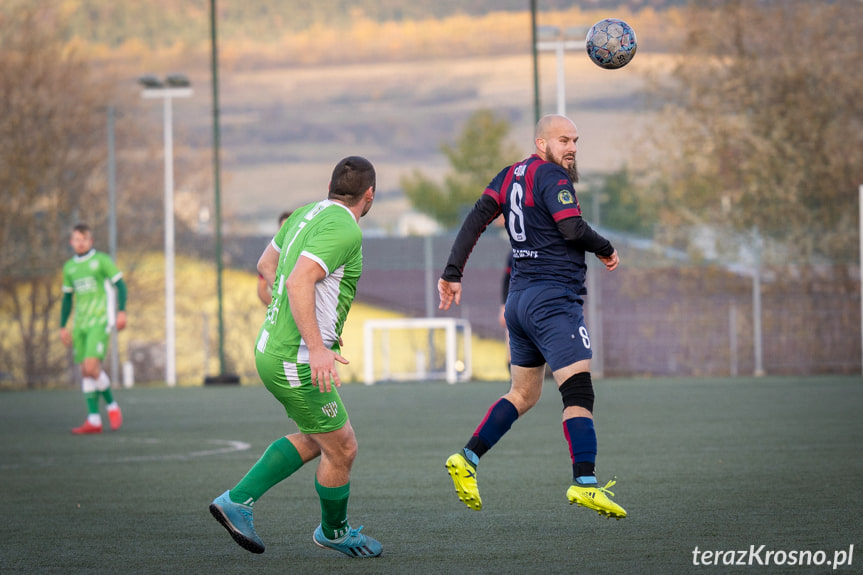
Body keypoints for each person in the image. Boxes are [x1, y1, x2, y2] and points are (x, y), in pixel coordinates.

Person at [438, 114, 626, 519]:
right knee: (578, 392)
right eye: (563, 139)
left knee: (524, 394)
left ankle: (468, 457)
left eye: (575, 140)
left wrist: (452, 272)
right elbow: (573, 229)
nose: (571, 147)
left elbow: (475, 219)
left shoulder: (508, 176)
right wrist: (606, 247)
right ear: (541, 143)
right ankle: (586, 483)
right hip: (553, 300)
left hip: (520, 302)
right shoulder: (553, 178)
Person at [209, 156, 383, 557]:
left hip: (275, 348)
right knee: (343, 447)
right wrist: (318, 348)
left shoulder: (306, 213)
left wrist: (284, 313)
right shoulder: (345, 229)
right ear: (369, 194)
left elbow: (266, 265)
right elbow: (300, 279)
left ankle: (239, 500)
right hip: (296, 358)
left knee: (317, 436)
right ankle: (332, 532)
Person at [60, 223, 127, 434]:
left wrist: (121, 311)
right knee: (85, 372)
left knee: (91, 367)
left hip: (99, 321)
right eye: (76, 240)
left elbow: (120, 284)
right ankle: (94, 420)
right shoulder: (69, 267)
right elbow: (67, 298)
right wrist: (63, 326)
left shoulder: (101, 261)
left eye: (84, 239)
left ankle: (112, 407)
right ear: (71, 242)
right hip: (80, 324)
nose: (80, 243)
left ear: (91, 241)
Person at [257, 210, 293, 306]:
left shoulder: (302, 253)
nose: (286, 233)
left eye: (289, 229)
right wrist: (274, 309)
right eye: (283, 229)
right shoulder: (273, 255)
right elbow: (261, 289)